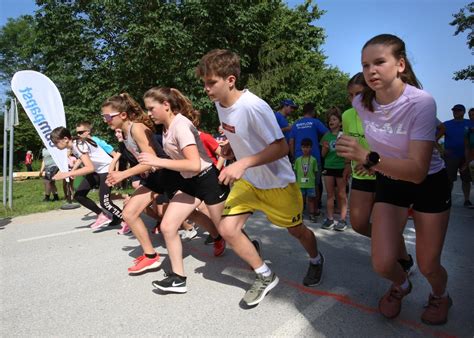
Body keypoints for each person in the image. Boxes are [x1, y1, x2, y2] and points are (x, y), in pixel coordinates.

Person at [336, 34, 452, 325]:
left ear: (400, 65)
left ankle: (440, 295)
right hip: (389, 179)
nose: (371, 70)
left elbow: (417, 171)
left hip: (429, 183)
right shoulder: (362, 103)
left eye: (379, 62)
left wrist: (367, 158)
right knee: (383, 261)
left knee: (428, 264)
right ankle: (401, 285)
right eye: (365, 65)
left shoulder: (421, 102)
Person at [197, 49, 324, 307]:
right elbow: (243, 137)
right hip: (250, 181)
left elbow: (280, 147)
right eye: (204, 83)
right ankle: (265, 275)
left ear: (230, 80)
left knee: (296, 231)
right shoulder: (219, 105)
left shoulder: (254, 106)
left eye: (211, 82)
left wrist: (242, 162)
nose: (206, 89)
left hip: (278, 184)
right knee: (226, 228)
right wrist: (232, 148)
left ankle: (316, 259)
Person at [103, 93, 225, 276]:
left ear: (123, 115)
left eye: (107, 117)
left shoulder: (137, 128)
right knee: (129, 212)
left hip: (168, 173)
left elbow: (152, 161)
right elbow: (145, 161)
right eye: (103, 117)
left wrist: (124, 174)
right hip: (155, 176)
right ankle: (151, 256)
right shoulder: (125, 133)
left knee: (191, 213)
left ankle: (218, 236)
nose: (105, 121)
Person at [135, 87, 229, 293]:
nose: (149, 113)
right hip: (189, 183)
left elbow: (195, 164)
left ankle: (250, 249)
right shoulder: (166, 128)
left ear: (166, 105)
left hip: (207, 179)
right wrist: (157, 164)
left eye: (151, 108)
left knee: (227, 229)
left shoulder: (181, 126)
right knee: (168, 226)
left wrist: (157, 160)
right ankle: (178, 278)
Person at [341, 72, 414, 272]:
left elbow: (397, 149)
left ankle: (401, 259)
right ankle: (393, 246)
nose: (354, 99)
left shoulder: (386, 114)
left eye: (359, 93)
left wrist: (371, 164)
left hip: (387, 174)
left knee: (389, 225)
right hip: (360, 175)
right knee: (358, 224)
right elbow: (349, 143)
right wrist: (348, 164)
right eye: (350, 95)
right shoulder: (347, 115)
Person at [49, 127, 129, 234]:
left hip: (106, 169)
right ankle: (103, 215)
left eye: (56, 143)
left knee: (105, 202)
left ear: (65, 139)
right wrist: (74, 170)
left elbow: (89, 167)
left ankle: (128, 221)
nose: (55, 145)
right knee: (79, 195)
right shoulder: (75, 145)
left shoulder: (78, 145)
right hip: (96, 170)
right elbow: (82, 159)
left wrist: (68, 173)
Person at [289, 103, 328, 213]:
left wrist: (293, 156)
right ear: (313, 111)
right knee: (316, 181)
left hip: (299, 158)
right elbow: (328, 134)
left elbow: (291, 142)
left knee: (298, 182)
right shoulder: (316, 122)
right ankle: (316, 206)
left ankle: (301, 206)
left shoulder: (296, 124)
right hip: (314, 157)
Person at [437, 104, 471, 207]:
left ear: (463, 112)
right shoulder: (446, 124)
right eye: (454, 110)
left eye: (458, 110)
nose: (456, 112)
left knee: (466, 179)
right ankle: (448, 199)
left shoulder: (470, 123)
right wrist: (442, 150)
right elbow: (433, 138)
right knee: (449, 180)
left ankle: (467, 200)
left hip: (466, 157)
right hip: (451, 157)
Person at [320, 108, 348, 231]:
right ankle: (330, 219)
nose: (331, 121)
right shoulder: (326, 136)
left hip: (341, 167)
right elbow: (323, 155)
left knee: (342, 194)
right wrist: (325, 148)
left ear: (340, 122)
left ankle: (342, 220)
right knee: (330, 195)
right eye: (330, 120)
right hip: (329, 167)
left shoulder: (344, 136)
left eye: (334, 119)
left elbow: (347, 153)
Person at [293, 138, 319, 222]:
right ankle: (300, 214)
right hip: (300, 184)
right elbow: (296, 172)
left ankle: (312, 214)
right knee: (301, 200)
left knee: (311, 199)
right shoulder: (298, 160)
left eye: (307, 147)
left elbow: (315, 172)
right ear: (301, 148)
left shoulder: (313, 160)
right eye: (304, 147)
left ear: (311, 148)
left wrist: (315, 183)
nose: (305, 149)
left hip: (310, 184)